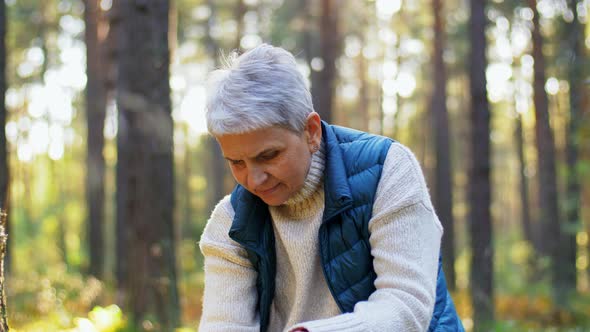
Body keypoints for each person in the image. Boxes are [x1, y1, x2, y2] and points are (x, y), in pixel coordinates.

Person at [198, 43, 464, 332]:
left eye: (269, 156)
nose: (254, 180)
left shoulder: (386, 170)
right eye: (237, 162)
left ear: (311, 131)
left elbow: (406, 307)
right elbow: (224, 325)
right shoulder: (230, 222)